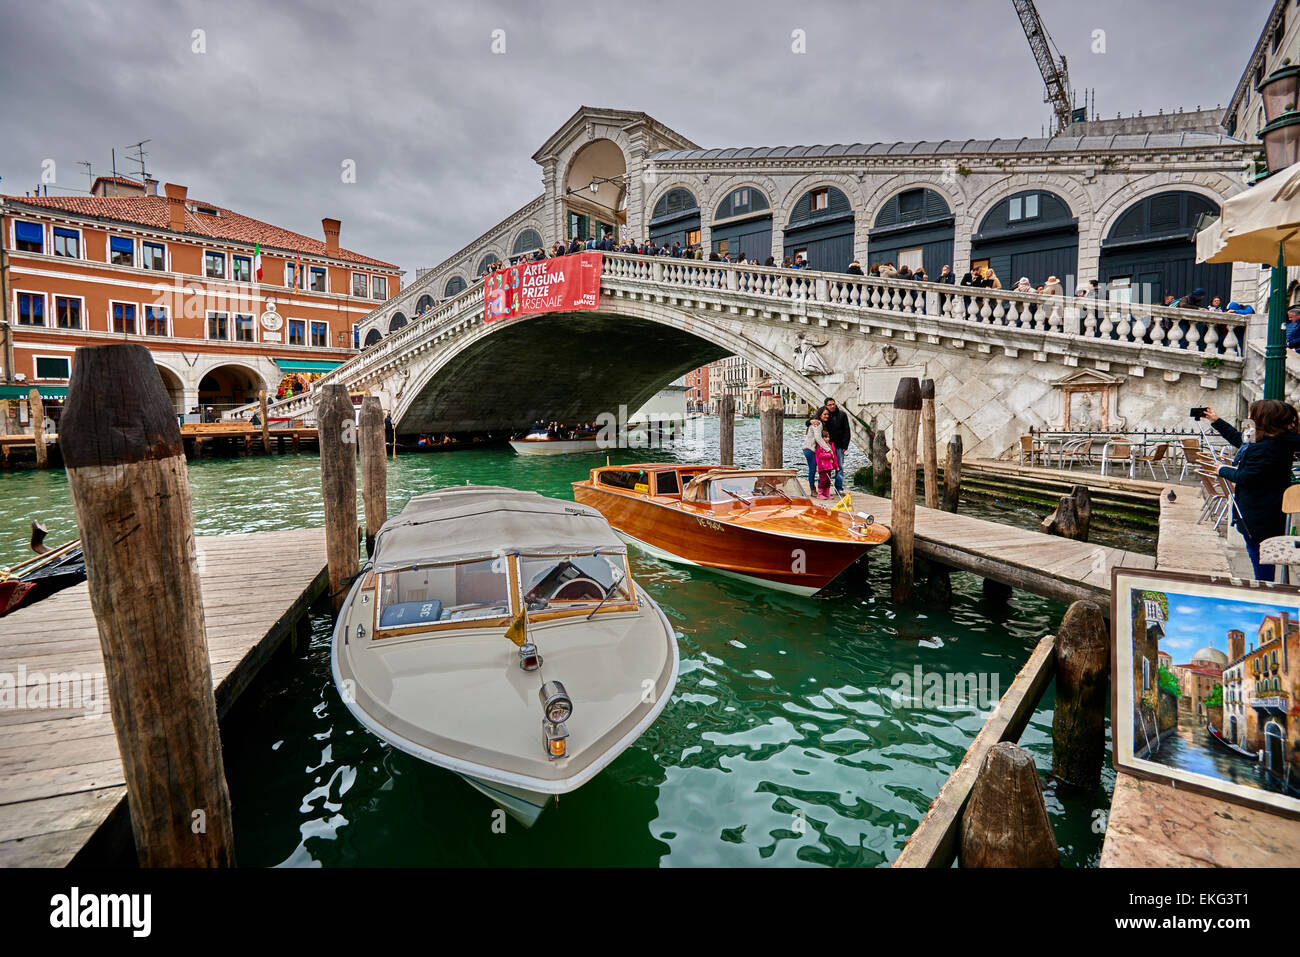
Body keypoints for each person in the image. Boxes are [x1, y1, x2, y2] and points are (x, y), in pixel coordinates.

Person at [1204, 401, 1300, 581]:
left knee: (1260, 557)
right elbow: (1239, 440)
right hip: (1267, 510)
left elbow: (1247, 477)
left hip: (1259, 514)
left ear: (1262, 419)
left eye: (1252, 414)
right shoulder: (1275, 440)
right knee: (1262, 555)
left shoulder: (1265, 447)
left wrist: (1222, 470)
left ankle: (1266, 590)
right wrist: (1216, 421)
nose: (1248, 417)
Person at [822, 397, 851, 496]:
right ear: (826, 406)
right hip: (827, 446)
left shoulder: (842, 415)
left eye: (833, 404)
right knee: (825, 467)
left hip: (839, 446)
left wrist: (845, 446)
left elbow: (847, 431)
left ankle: (839, 488)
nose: (832, 406)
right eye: (830, 405)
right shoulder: (824, 414)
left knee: (839, 467)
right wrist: (810, 422)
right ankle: (823, 488)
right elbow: (812, 420)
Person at [801, 409, 830, 493]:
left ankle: (817, 488)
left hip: (809, 449)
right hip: (810, 449)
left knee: (815, 469)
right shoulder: (818, 424)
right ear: (820, 415)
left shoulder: (818, 423)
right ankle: (813, 489)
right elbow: (818, 438)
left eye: (827, 414)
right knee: (813, 469)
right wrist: (828, 449)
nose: (827, 416)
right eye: (824, 414)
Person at [814, 429, 839, 499]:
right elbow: (820, 455)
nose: (827, 439)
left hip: (829, 466)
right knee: (823, 480)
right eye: (825, 437)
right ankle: (820, 494)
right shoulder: (820, 446)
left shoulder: (830, 446)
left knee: (828, 480)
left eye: (828, 437)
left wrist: (836, 466)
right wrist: (829, 455)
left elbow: (834, 456)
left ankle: (826, 493)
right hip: (822, 466)